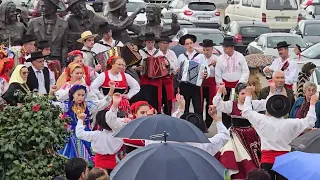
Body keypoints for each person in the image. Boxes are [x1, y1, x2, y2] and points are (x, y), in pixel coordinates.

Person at [242, 85, 317, 180]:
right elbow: (310, 121)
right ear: (285, 109)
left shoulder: (263, 121)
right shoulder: (290, 123)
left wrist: (248, 95)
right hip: (285, 161)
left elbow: (246, 111)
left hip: (267, 161)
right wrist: (313, 104)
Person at [146, 94, 230, 157]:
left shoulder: (167, 142)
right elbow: (224, 136)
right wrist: (216, 118)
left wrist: (181, 107)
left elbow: (149, 140)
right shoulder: (205, 145)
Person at [213, 83, 266, 179]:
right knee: (233, 155)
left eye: (247, 94)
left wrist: (272, 90)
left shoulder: (253, 104)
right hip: (235, 135)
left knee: (254, 156)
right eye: (242, 94)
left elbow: (267, 103)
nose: (245, 96)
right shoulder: (231, 105)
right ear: (237, 94)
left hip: (251, 134)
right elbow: (218, 104)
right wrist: (220, 91)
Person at [52, 84, 114, 165]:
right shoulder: (67, 106)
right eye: (78, 95)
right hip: (70, 135)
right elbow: (52, 104)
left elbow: (102, 103)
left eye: (83, 95)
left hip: (85, 133)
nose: (81, 97)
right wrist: (51, 93)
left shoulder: (87, 105)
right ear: (72, 94)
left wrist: (111, 89)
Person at [76, 93, 130, 174]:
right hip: (113, 166)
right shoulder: (119, 135)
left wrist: (80, 120)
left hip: (99, 167)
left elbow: (80, 134)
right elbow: (115, 121)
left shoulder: (96, 135)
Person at [215, 36, 249, 129]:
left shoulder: (240, 56)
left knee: (237, 106)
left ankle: (238, 126)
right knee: (225, 108)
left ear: (232, 47)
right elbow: (218, 74)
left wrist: (241, 83)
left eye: (226, 46)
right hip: (226, 87)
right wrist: (221, 86)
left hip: (238, 86)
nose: (224, 48)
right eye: (224, 46)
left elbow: (245, 71)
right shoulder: (220, 58)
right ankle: (226, 127)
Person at [177, 34, 208, 115]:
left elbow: (206, 68)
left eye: (191, 43)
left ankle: (199, 125)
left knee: (198, 107)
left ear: (193, 44)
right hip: (184, 85)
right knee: (185, 106)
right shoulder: (181, 57)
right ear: (184, 46)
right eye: (187, 44)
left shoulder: (200, 56)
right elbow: (177, 71)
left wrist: (205, 74)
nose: (189, 45)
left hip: (196, 85)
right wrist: (178, 71)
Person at [137, 32, 164, 112]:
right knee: (145, 99)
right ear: (145, 42)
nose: (150, 44)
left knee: (155, 100)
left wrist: (165, 65)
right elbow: (134, 66)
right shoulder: (140, 52)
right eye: (148, 42)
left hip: (156, 80)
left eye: (152, 42)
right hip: (144, 80)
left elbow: (164, 66)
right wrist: (139, 68)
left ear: (154, 42)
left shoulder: (159, 53)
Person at [200, 39, 218, 128]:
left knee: (210, 103)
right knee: (199, 103)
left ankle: (207, 124)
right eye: (204, 50)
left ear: (212, 49)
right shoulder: (199, 57)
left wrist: (215, 65)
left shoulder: (216, 59)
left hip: (211, 83)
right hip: (201, 83)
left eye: (208, 50)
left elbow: (219, 73)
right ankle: (199, 122)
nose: (206, 52)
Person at [158, 35, 177, 115]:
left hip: (168, 79)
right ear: (159, 44)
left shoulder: (172, 53)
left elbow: (175, 67)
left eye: (166, 43)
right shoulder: (156, 53)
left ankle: (168, 114)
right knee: (158, 100)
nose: (164, 45)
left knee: (169, 100)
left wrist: (168, 64)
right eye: (163, 43)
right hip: (158, 80)